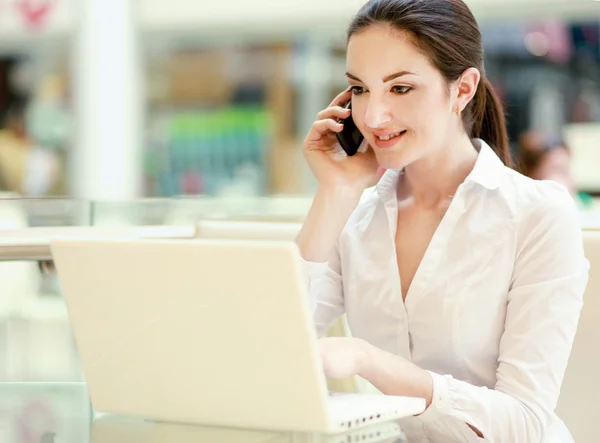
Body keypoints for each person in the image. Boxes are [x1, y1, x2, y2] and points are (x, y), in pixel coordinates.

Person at [295, 1, 589, 442]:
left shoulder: (537, 214)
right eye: (359, 90)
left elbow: (525, 423)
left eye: (400, 89)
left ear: (463, 89)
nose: (373, 117)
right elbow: (275, 345)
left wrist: (369, 360)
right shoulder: (356, 216)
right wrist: (335, 192)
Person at [517, 130, 594, 211]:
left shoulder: (584, 203)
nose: (568, 180)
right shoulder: (519, 208)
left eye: (567, 170)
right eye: (559, 170)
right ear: (531, 173)